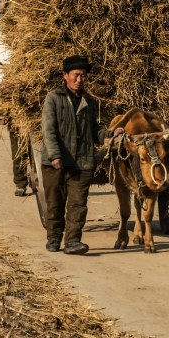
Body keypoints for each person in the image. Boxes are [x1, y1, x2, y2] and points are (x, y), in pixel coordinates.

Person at [40, 54, 121, 255]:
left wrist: (111, 134)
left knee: (78, 204)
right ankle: (54, 238)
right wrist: (55, 156)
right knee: (55, 203)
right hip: (55, 162)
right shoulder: (53, 98)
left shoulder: (89, 102)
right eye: (76, 75)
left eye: (83, 76)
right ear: (65, 75)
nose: (79, 80)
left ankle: (73, 241)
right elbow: (48, 130)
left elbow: (94, 131)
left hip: (82, 161)